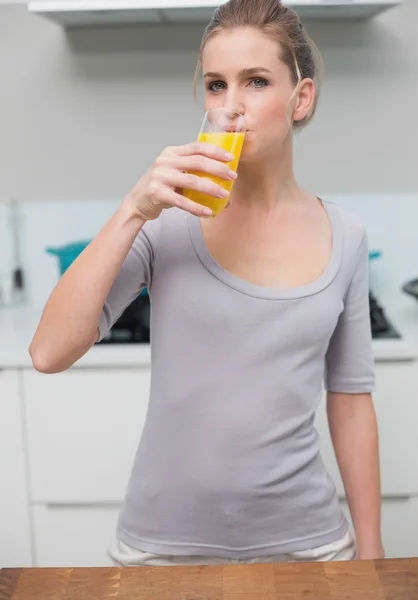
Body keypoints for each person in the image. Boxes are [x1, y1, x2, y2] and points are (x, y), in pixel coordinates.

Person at [29, 0, 384, 566]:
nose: (232, 106)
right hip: (161, 551)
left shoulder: (347, 234)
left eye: (257, 81)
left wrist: (371, 549)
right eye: (216, 85)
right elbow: (48, 353)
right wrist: (131, 209)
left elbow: (349, 400)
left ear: (302, 98)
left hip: (312, 548)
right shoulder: (163, 220)